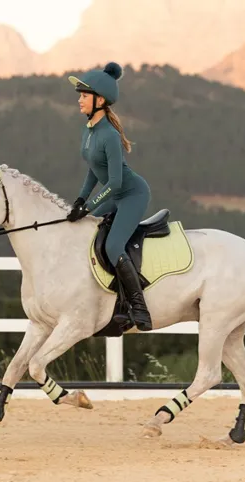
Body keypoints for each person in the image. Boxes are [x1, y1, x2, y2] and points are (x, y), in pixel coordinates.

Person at [65, 62, 153, 331]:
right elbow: (94, 171)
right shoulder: (89, 131)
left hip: (131, 194)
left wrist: (90, 205)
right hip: (115, 192)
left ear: (99, 100)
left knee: (113, 247)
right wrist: (81, 201)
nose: (79, 100)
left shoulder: (110, 136)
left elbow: (114, 182)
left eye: (84, 95)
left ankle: (138, 308)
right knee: (85, 231)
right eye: (79, 95)